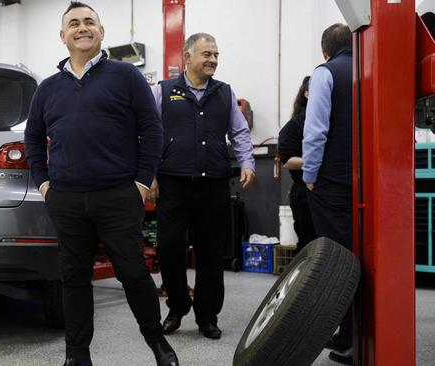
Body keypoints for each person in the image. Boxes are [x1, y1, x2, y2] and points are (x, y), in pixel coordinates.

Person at [24, 2, 178, 366]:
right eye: (73, 23)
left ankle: (158, 344)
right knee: (73, 280)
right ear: (63, 36)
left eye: (89, 22)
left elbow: (152, 129)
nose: (82, 28)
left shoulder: (125, 76)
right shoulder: (47, 89)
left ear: (101, 32)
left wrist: (141, 183)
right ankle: (77, 356)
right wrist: (45, 185)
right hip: (66, 200)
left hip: (118, 196)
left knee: (134, 273)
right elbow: (33, 140)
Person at [150, 33, 255, 340]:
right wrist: (150, 173)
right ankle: (177, 306)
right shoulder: (164, 91)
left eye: (216, 55)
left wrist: (248, 163)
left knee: (211, 253)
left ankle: (207, 315)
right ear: (187, 56)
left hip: (213, 185)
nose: (212, 60)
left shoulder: (225, 93)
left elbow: (240, 132)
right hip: (173, 183)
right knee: (170, 248)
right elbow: (148, 133)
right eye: (206, 54)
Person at [302, 23, 354, 365]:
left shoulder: (325, 72)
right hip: (371, 180)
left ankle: (350, 337)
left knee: (338, 259)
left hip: (332, 182)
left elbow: (316, 130)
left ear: (325, 51)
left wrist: (309, 175)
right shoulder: (369, 68)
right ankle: (353, 332)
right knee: (364, 254)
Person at [278, 76, 317, 251]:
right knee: (309, 245)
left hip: (329, 191)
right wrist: (316, 161)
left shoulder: (333, 120)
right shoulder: (295, 125)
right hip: (305, 194)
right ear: (306, 93)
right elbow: (287, 160)